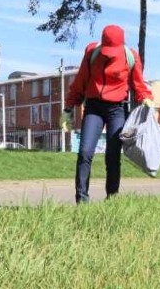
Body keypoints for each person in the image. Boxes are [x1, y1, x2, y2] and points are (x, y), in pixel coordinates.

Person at [61, 24, 154, 203]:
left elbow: (139, 84)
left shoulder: (130, 56)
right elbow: (80, 82)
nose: (109, 54)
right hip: (94, 107)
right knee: (85, 152)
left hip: (117, 109)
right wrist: (68, 108)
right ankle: (82, 201)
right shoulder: (91, 53)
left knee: (112, 156)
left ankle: (111, 199)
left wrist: (146, 98)